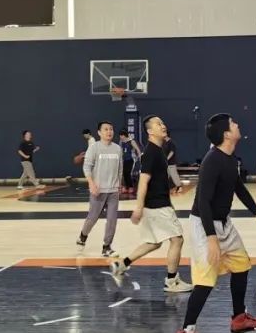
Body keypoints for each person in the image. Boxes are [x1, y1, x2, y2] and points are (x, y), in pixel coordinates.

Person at [176, 114, 256, 333]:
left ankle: (239, 318)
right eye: (233, 123)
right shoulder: (212, 160)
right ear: (227, 134)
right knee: (205, 281)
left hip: (224, 223)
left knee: (241, 265)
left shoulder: (230, 158)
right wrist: (211, 238)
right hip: (204, 224)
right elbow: (203, 201)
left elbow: (238, 187)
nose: (238, 124)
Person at [109, 115, 192, 293]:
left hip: (156, 205)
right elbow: (143, 181)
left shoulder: (157, 151)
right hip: (158, 206)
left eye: (163, 123)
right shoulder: (152, 153)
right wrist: (138, 207)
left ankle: (122, 264)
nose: (163, 125)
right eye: (158, 124)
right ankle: (172, 282)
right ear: (149, 131)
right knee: (177, 239)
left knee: (154, 242)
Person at [77, 121, 123, 258]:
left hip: (113, 191)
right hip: (98, 190)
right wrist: (91, 184)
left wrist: (119, 184)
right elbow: (86, 167)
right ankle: (83, 235)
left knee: (112, 220)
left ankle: (107, 247)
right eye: (106, 129)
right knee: (92, 218)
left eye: (111, 129)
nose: (109, 132)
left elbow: (120, 169)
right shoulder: (94, 148)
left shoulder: (117, 149)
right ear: (99, 132)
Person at [119, 130, 141, 194]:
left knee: (128, 172)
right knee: (124, 173)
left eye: (121, 135)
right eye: (120, 136)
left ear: (124, 135)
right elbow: (121, 151)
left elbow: (137, 149)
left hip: (131, 159)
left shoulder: (131, 141)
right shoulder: (121, 142)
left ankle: (131, 187)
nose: (120, 137)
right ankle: (127, 187)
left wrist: (140, 157)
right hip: (124, 159)